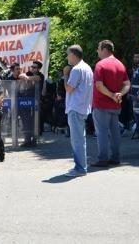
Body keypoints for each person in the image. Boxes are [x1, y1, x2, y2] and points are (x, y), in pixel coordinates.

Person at [91, 40, 130, 168]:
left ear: (104, 49)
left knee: (101, 132)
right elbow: (127, 84)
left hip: (102, 104)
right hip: (116, 105)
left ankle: (103, 159)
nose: (97, 51)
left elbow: (99, 85)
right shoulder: (120, 64)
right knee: (115, 133)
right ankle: (116, 157)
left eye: (98, 48)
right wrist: (119, 94)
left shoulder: (100, 65)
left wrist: (112, 95)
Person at [62, 45, 93, 177]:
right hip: (83, 107)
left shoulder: (76, 70)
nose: (67, 57)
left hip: (75, 108)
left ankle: (80, 168)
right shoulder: (87, 67)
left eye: (68, 54)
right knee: (80, 139)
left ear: (74, 55)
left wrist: (65, 75)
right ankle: (81, 166)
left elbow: (69, 88)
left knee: (77, 140)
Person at [18, 61, 44, 147]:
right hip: (26, 100)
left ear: (39, 69)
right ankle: (27, 139)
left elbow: (36, 78)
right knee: (26, 120)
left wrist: (27, 78)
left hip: (36, 100)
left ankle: (34, 139)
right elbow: (20, 75)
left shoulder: (41, 75)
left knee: (35, 120)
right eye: (32, 67)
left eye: (34, 67)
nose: (32, 68)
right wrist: (27, 77)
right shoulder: (28, 73)